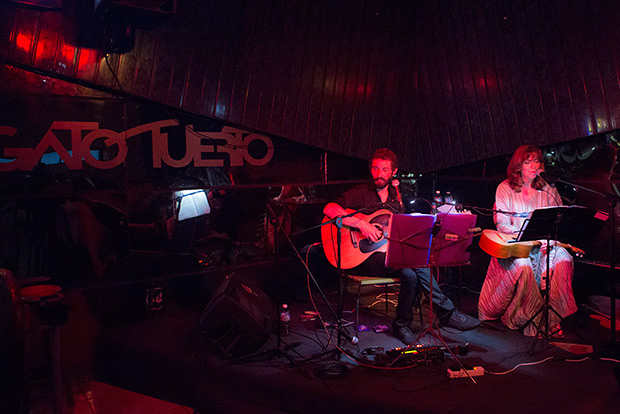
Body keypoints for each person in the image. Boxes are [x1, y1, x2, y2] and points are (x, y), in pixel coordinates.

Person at [323, 148, 480, 345]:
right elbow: (329, 208)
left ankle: (401, 323)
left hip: (383, 255)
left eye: (385, 170)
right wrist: (361, 224)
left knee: (410, 273)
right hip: (358, 257)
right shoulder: (360, 192)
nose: (379, 174)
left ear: (394, 172)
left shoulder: (396, 200)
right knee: (415, 265)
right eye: (375, 168)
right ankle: (445, 312)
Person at [478, 144, 577, 337]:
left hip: (545, 245)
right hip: (517, 247)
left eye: (537, 161)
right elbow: (503, 225)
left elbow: (559, 222)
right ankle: (524, 318)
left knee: (563, 259)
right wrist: (529, 241)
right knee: (523, 264)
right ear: (518, 165)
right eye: (528, 161)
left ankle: (551, 318)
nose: (534, 165)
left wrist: (548, 242)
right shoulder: (505, 188)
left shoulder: (548, 190)